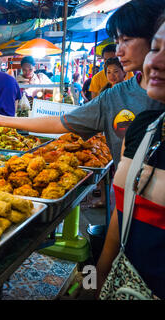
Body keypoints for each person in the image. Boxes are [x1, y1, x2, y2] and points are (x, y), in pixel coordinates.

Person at [0, 0, 165, 168]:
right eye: (117, 42)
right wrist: (4, 120)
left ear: (156, 37)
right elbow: (61, 122)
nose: (118, 51)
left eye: (126, 40)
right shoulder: (115, 96)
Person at [96, 14, 165, 299]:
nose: (155, 63)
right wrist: (97, 279)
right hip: (127, 286)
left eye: (128, 40)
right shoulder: (145, 128)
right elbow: (123, 211)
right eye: (157, 49)